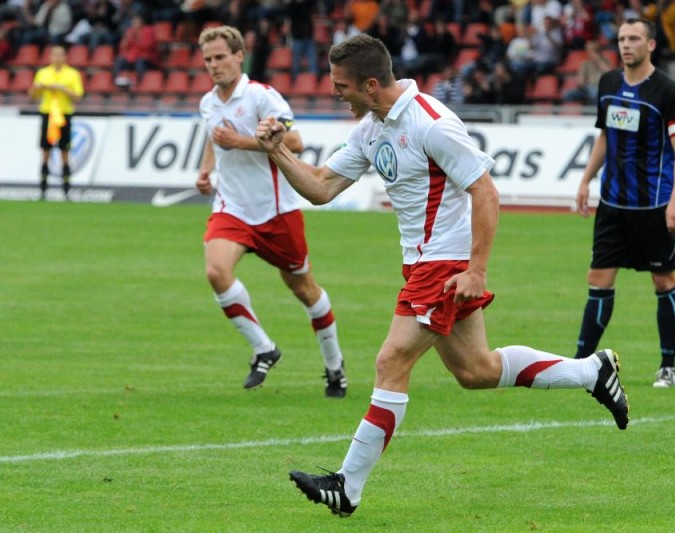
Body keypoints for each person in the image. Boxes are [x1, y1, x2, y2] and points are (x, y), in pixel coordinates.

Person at [254, 33, 629, 517]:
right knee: (476, 371)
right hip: (421, 264)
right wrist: (278, 152)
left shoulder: (431, 123)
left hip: (444, 264)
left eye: (341, 85)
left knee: (391, 361)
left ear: (371, 85)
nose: (335, 93)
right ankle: (592, 371)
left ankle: (348, 485)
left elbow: (485, 191)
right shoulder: (371, 128)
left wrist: (476, 270)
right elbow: (322, 187)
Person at [195, 25, 348, 397]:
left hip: (276, 211)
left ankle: (334, 366)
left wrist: (240, 141)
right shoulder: (208, 103)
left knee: (305, 290)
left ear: (239, 56)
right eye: (208, 59)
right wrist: (205, 170)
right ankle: (264, 348)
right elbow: (215, 138)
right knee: (216, 271)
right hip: (232, 208)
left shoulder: (261, 97)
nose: (214, 65)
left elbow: (294, 141)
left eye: (220, 57)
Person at [574, 18, 675, 389]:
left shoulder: (667, 92)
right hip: (613, 204)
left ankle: (668, 367)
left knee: (663, 280)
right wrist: (586, 179)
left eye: (635, 38)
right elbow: (605, 138)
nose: (626, 44)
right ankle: (579, 365)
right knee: (598, 279)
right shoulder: (608, 84)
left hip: (654, 206)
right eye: (622, 38)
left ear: (651, 45)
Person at [28, 43, 84, 199]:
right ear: (50, 57)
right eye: (54, 54)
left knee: (64, 151)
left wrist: (62, 89)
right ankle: (42, 189)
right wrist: (38, 88)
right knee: (45, 151)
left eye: (60, 54)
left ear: (65, 57)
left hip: (64, 114)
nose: (57, 57)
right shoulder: (43, 73)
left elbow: (77, 97)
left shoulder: (72, 74)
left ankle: (66, 189)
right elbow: (32, 96)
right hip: (47, 114)